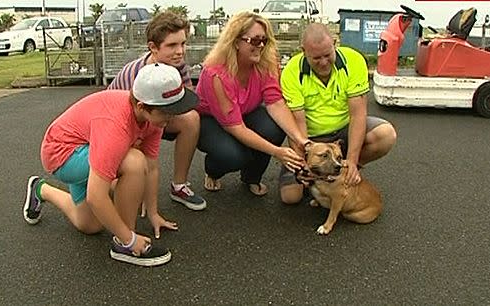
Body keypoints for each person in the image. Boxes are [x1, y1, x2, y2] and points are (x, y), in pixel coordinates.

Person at [23, 63, 198, 267]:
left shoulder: (153, 119)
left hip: (89, 145)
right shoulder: (116, 126)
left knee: (90, 225)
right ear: (141, 106)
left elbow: (152, 167)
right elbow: (96, 196)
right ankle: (124, 246)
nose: (172, 117)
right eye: (167, 112)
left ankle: (41, 190)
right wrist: (130, 239)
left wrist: (153, 212)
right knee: (133, 162)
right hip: (62, 155)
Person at [279, 23, 398, 204]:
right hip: (312, 138)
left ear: (335, 43)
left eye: (327, 55)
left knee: (385, 134)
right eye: (316, 58)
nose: (324, 62)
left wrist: (351, 160)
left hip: (343, 132)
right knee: (291, 197)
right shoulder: (291, 72)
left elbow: (358, 115)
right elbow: (298, 125)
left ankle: (343, 172)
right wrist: (304, 165)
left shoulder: (354, 61)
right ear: (303, 51)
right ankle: (319, 176)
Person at [195, 11, 307, 196]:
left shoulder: (267, 62)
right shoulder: (215, 73)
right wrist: (277, 152)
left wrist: (299, 138)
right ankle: (213, 171)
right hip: (211, 119)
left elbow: (276, 103)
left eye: (265, 40)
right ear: (236, 42)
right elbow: (236, 127)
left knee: (274, 129)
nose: (261, 46)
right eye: (255, 41)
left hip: (245, 112)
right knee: (234, 156)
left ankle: (251, 177)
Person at [108, 11, 205, 211]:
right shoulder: (136, 75)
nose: (180, 51)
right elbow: (129, 119)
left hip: (153, 117)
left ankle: (179, 186)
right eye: (172, 45)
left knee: (191, 119)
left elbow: (186, 103)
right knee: (124, 178)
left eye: (183, 44)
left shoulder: (179, 67)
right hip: (117, 124)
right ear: (153, 47)